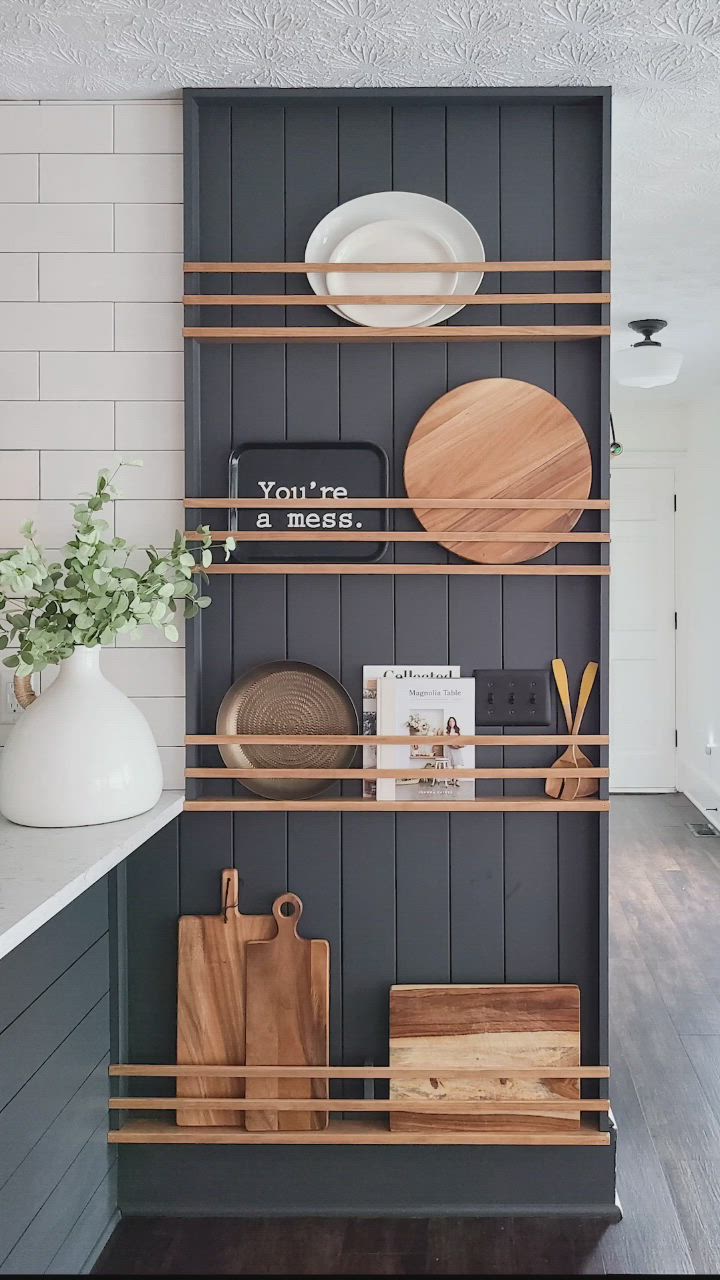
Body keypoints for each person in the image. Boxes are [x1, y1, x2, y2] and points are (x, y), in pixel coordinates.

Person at [444, 715, 463, 785]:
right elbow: (446, 740)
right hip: (449, 749)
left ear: (455, 722)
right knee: (450, 765)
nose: (451, 722)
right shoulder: (446, 731)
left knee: (456, 765)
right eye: (450, 721)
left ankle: (457, 780)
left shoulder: (458, 730)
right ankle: (452, 780)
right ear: (448, 723)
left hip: (456, 749)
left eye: (453, 721)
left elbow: (461, 740)